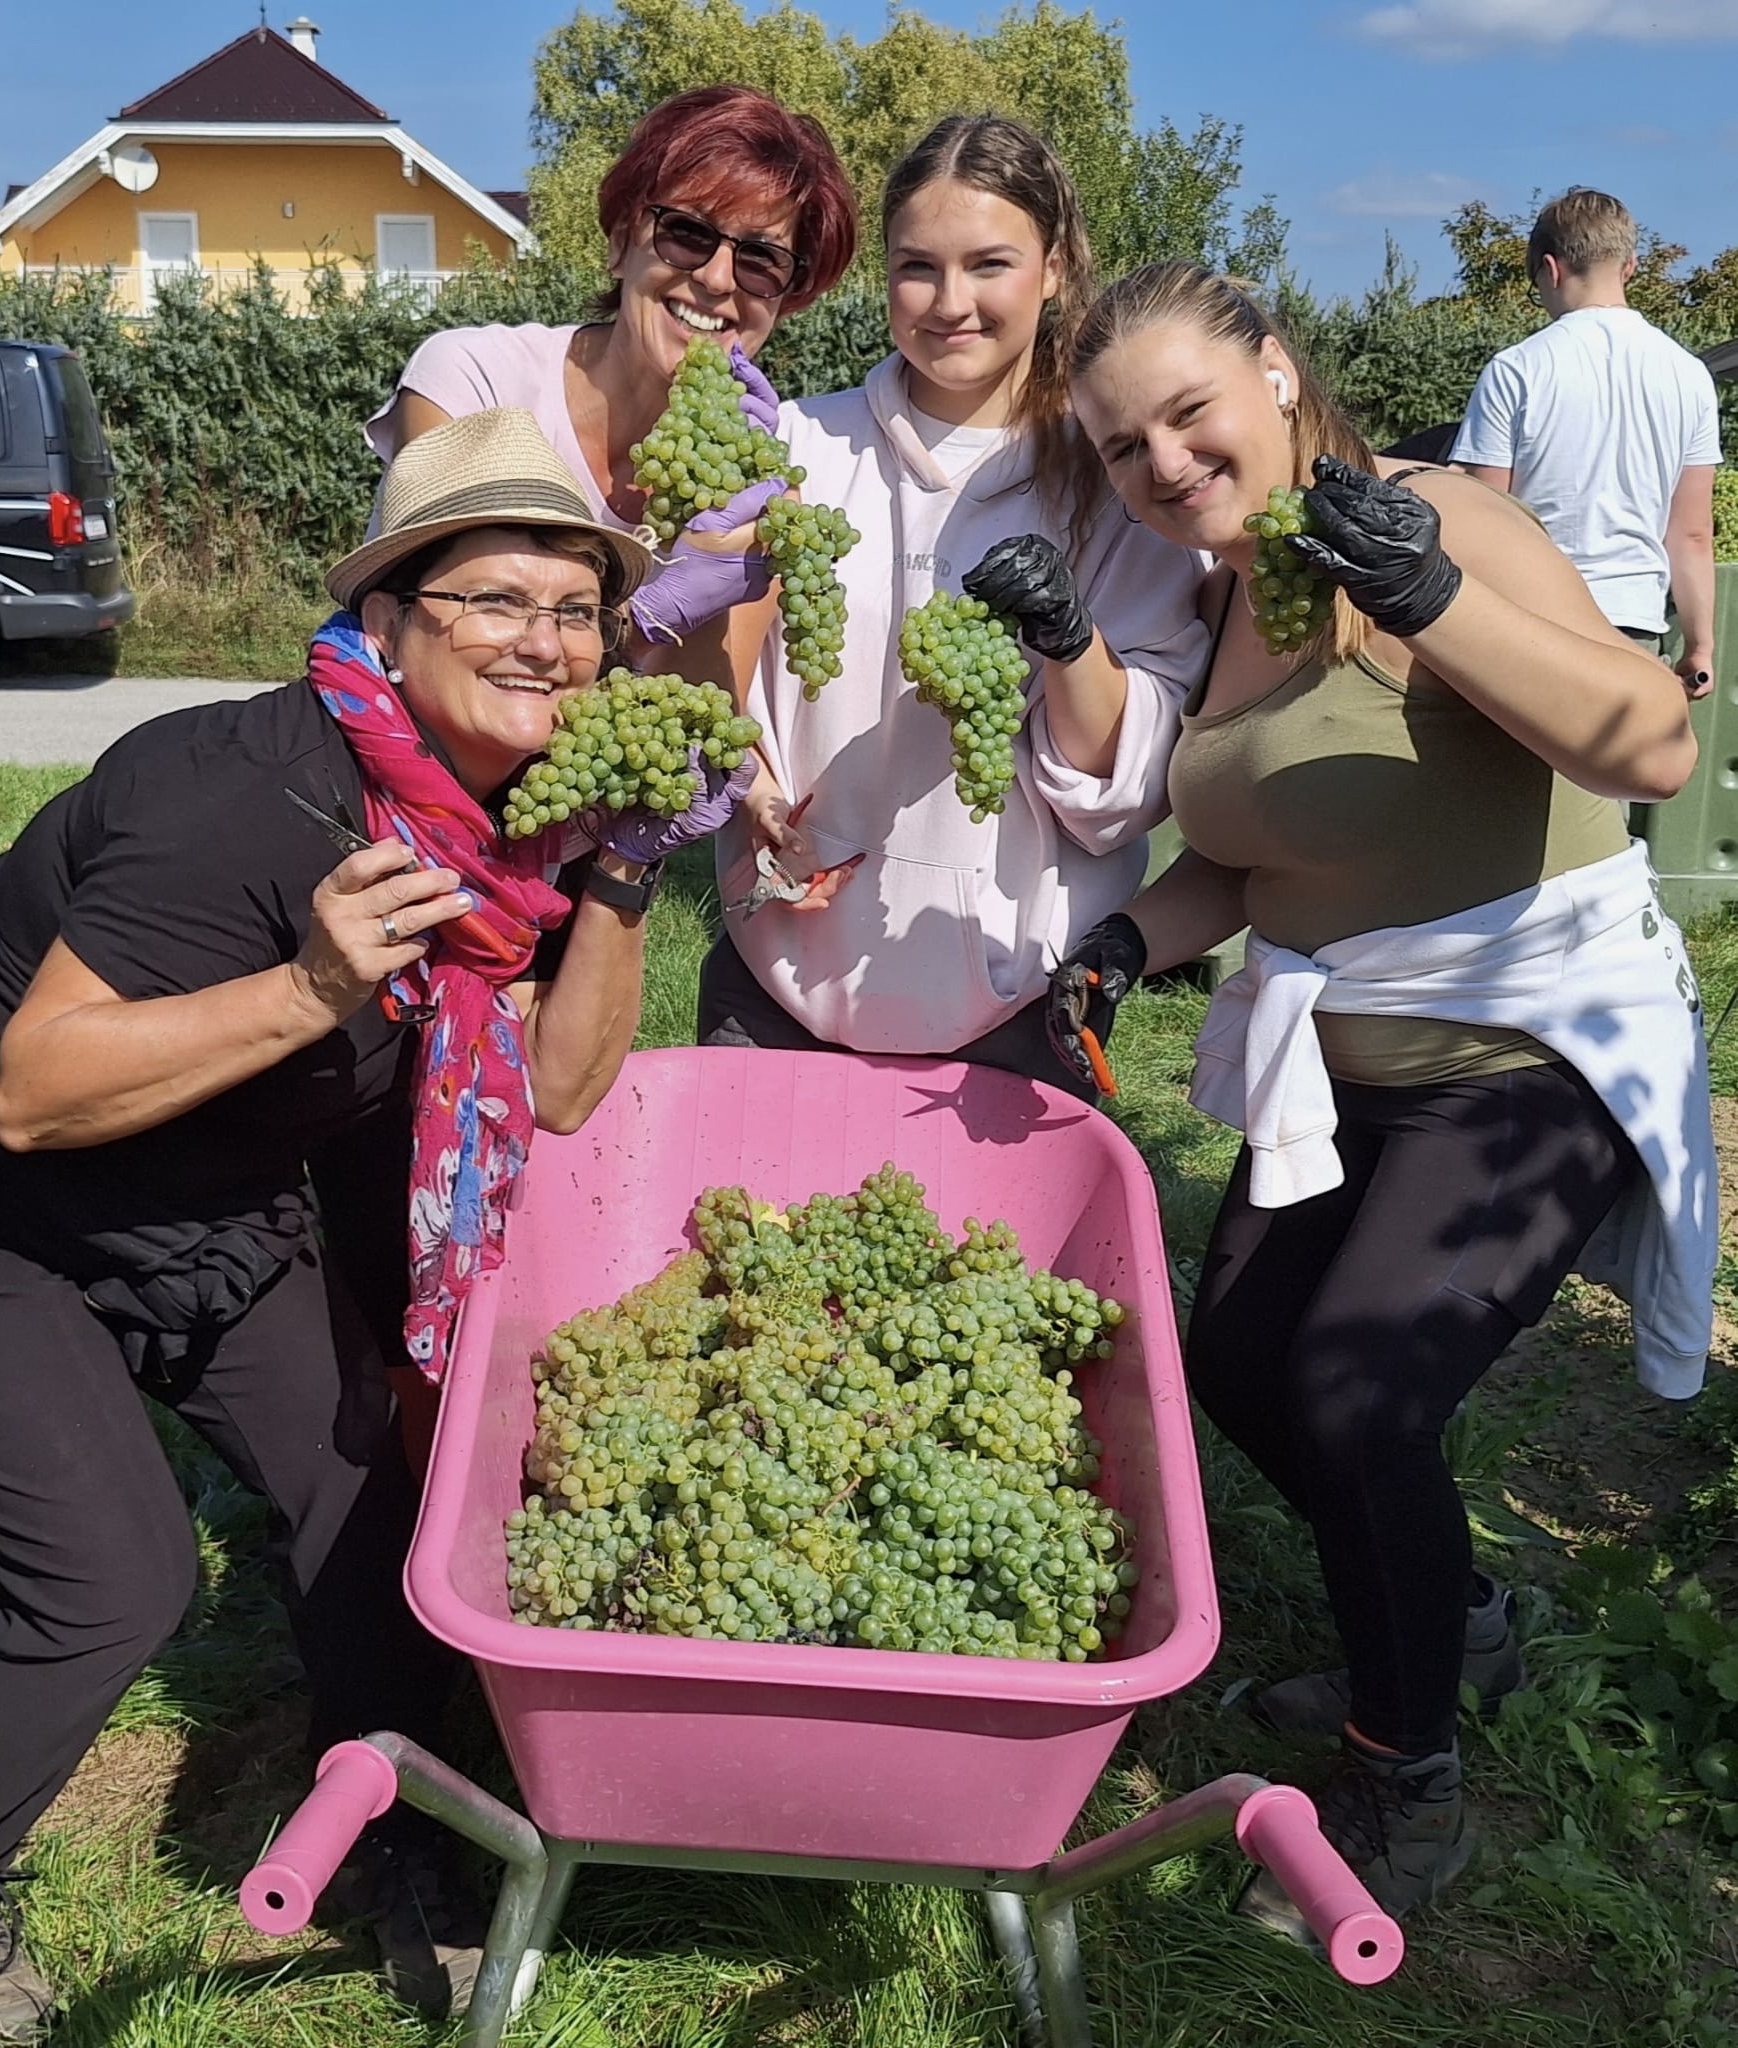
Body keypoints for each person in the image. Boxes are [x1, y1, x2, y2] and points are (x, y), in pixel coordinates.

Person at [0, 408, 750, 2044]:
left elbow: (560, 1084)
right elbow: (36, 1093)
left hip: (202, 1180)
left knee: (376, 1483)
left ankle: (383, 1820)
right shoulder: (241, 800)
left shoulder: (518, 817)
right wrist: (311, 985)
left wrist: (626, 874)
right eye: (497, 598)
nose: (547, 641)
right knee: (113, 1573)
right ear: (388, 617)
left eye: (577, 609)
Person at [1054, 262, 1713, 1932]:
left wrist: (1427, 597)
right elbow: (1254, 850)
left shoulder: (1436, 519)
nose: (1164, 463)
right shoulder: (1227, 593)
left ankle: (1404, 1777)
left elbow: (1648, 744)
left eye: (1188, 412)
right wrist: (1125, 940)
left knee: (1354, 1399)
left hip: (1523, 1063)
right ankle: (1451, 1624)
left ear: (1275, 373)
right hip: (1344, 1073)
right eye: (1124, 446)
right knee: (1235, 1364)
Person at [696, 115, 1207, 1092]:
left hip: (1016, 1005)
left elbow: (1122, 794)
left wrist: (1069, 640)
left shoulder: (1117, 484)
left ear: (1054, 269)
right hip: (776, 978)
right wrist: (746, 785)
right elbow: (708, 675)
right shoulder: (795, 449)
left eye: (988, 264)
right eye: (917, 268)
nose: (950, 302)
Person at [368, 83, 859, 672]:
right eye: (688, 233)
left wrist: (707, 607)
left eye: (761, 258)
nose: (718, 279)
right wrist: (647, 617)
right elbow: (463, 654)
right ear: (622, 244)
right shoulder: (476, 383)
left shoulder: (754, 497)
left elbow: (698, 709)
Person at [1452, 188, 1722, 696]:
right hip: (1635, 627)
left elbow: (1486, 516)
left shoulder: (1516, 369)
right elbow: (1691, 535)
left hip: (1532, 621)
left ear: (1549, 269)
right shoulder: (1689, 376)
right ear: (1630, 266)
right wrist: (1701, 647)